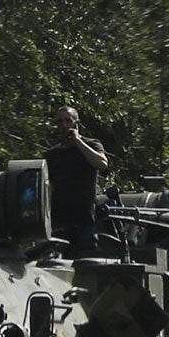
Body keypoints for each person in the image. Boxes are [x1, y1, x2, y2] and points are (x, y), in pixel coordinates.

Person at [44, 106, 110, 252]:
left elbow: (102, 164)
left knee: (87, 258)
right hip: (59, 218)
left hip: (84, 217)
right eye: (60, 122)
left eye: (68, 120)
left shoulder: (91, 145)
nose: (64, 125)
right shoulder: (52, 154)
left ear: (76, 123)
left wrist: (79, 142)